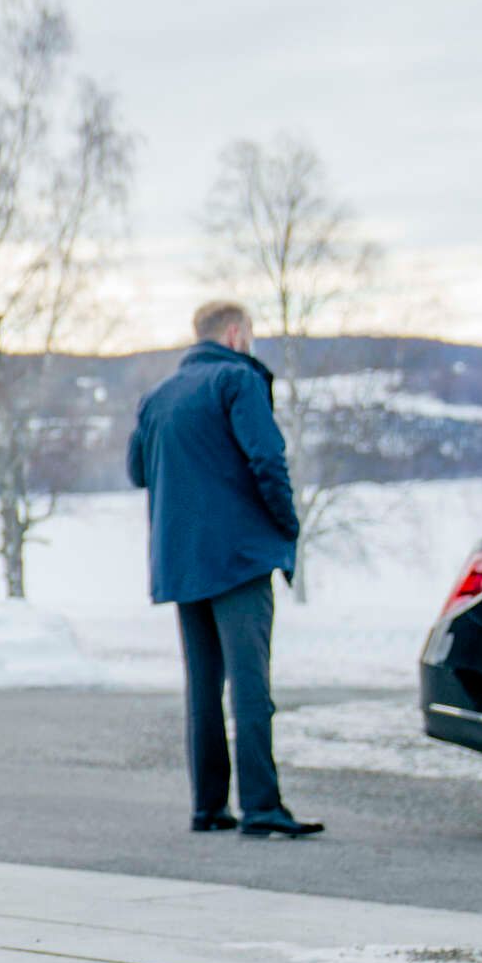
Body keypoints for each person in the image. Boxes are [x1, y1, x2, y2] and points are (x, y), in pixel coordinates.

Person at [127, 302, 323, 840]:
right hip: (238, 557)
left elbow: (138, 471)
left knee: (203, 688)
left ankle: (209, 806)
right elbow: (268, 459)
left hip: (181, 561)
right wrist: (286, 525)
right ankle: (260, 806)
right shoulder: (238, 380)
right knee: (251, 686)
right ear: (235, 333)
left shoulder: (158, 397)